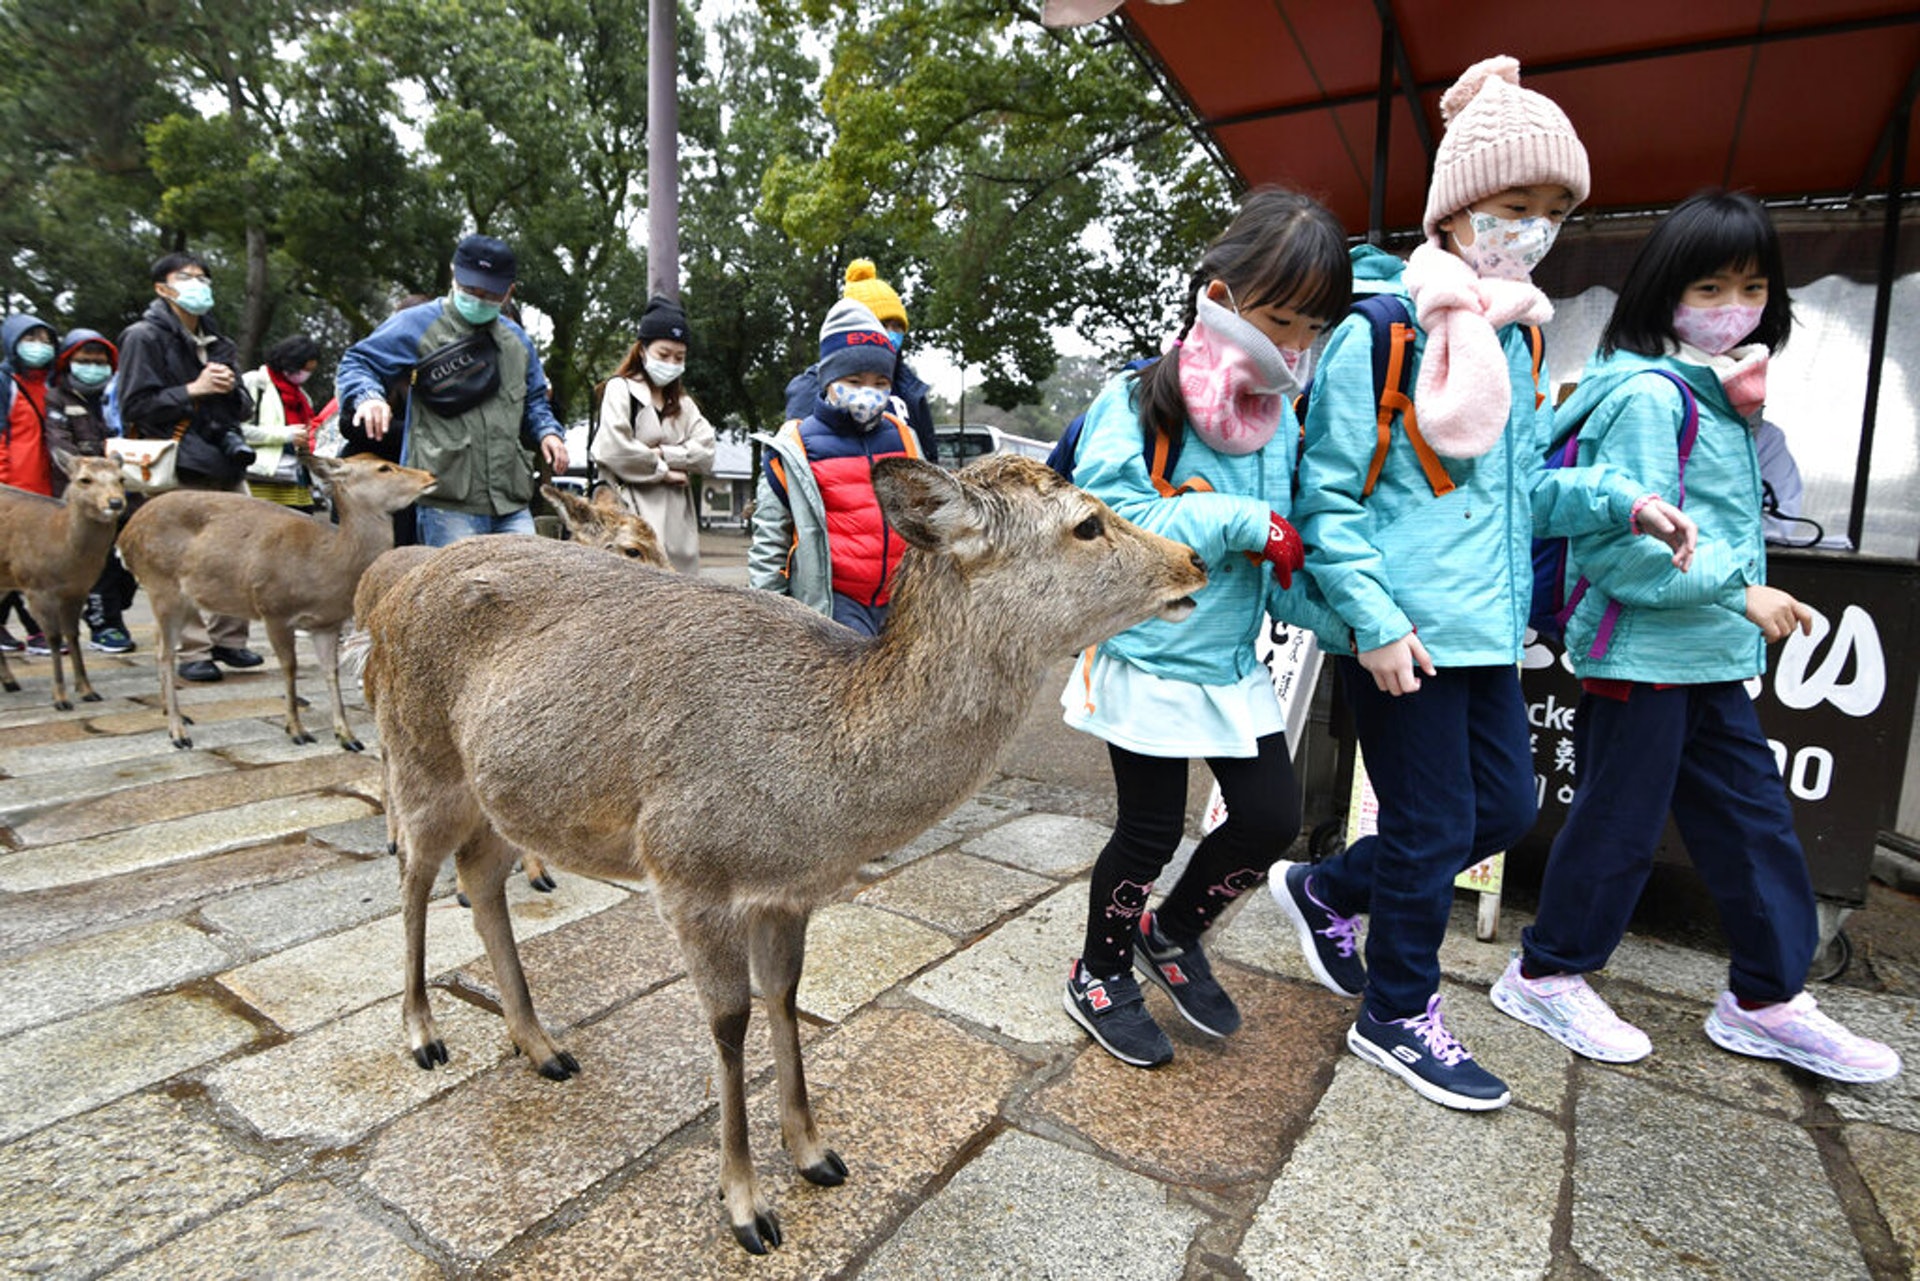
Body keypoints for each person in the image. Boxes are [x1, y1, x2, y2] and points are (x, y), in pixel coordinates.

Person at [1276, 56, 1695, 1112]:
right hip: (1402, 635)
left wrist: (1618, 502)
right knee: (1429, 828)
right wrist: (1371, 623)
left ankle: (1326, 889)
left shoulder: (1515, 330)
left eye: (1556, 209)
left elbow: (1521, 498)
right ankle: (1397, 1012)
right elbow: (1328, 502)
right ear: (1458, 211)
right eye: (1516, 205)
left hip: (1487, 631)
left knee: (1503, 806)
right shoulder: (1380, 334)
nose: (1536, 228)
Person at [1488, 191, 1900, 1084]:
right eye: (1709, 285)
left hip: (1708, 658)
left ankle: (1765, 996)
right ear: (1664, 292)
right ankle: (1547, 972)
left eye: (1752, 284)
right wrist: (1740, 589)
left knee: (1755, 826)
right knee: (1618, 827)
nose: (1733, 304)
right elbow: (1616, 551)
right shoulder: (1647, 394)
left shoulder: (1722, 399)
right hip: (1642, 654)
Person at [1056, 189, 1355, 1069]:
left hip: (1230, 662)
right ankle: (1099, 970)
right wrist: (1238, 522)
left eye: (1311, 325)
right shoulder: (1136, 398)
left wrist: (1349, 627)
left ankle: (1172, 928)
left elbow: (1283, 558)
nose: (1294, 345)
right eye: (1278, 316)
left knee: (1269, 819)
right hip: (1146, 653)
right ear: (1219, 295)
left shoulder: (1280, 420)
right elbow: (1120, 521)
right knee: (1147, 831)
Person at [335, 236, 568, 546]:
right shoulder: (416, 323)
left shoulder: (517, 341)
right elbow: (359, 361)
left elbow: (536, 400)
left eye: (490, 294)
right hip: (447, 501)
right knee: (457, 591)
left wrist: (548, 432)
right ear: (454, 275)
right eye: (470, 290)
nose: (478, 299)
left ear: (509, 291)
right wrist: (369, 397)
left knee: (526, 588)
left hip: (510, 500)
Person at [117, 252, 262, 682]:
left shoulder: (217, 340)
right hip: (176, 459)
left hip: (222, 457)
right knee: (179, 558)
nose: (199, 285)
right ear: (162, 288)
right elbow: (136, 405)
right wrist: (192, 389)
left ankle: (231, 641)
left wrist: (232, 389)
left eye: (204, 278)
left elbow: (243, 410)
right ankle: (191, 648)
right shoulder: (143, 336)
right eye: (187, 278)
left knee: (240, 548)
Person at [749, 299, 923, 635]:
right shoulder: (793, 449)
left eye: (880, 383)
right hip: (836, 603)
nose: (868, 393)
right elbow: (770, 543)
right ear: (828, 378)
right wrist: (766, 620)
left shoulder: (905, 439)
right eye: (854, 381)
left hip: (902, 599)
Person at [590, 295, 715, 572]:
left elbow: (706, 453)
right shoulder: (621, 389)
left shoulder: (685, 405)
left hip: (678, 528)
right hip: (630, 519)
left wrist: (663, 453)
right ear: (643, 350)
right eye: (663, 354)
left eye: (679, 357)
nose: (671, 363)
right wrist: (664, 470)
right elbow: (613, 449)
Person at [44, 329, 139, 653]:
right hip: (85, 497)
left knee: (127, 563)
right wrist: (96, 468)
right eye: (84, 361)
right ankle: (105, 624)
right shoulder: (58, 398)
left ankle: (114, 610)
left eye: (100, 362)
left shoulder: (120, 395)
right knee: (99, 563)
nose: (93, 367)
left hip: (123, 490)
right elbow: (59, 443)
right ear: (69, 362)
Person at [783, 260, 937, 458]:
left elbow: (929, 460)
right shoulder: (813, 386)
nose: (890, 333)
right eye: (881, 323)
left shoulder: (911, 389)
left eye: (897, 325)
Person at [0, 312, 60, 652]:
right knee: (8, 563)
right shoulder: (4, 383)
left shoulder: (51, 384)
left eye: (45, 339)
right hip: (12, 487)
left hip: (44, 485)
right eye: (30, 339)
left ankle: (37, 627)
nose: (39, 346)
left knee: (37, 563)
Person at [241, 334, 323, 510]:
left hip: (296, 484)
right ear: (290, 363)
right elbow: (235, 430)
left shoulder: (303, 398)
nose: (305, 375)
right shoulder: (255, 383)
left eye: (310, 371)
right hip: (259, 480)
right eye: (303, 369)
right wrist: (285, 435)